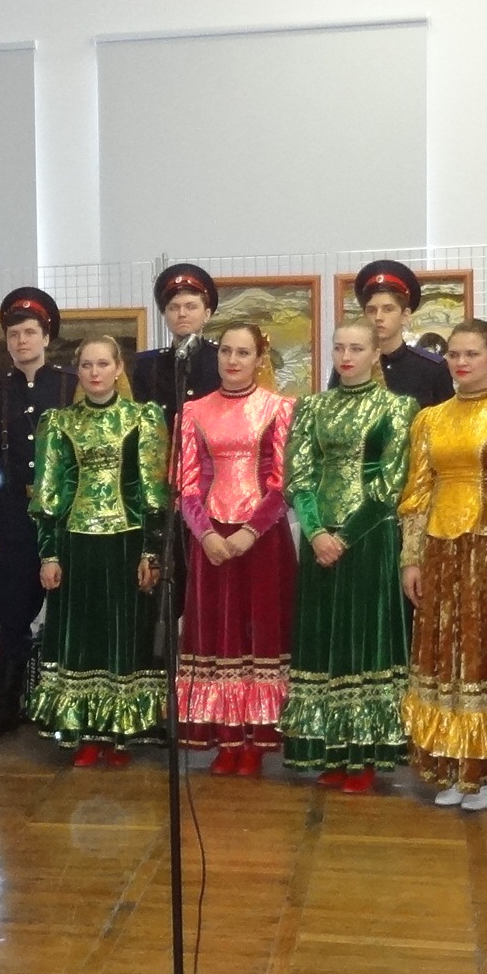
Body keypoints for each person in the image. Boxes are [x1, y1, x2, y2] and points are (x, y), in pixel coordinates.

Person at [399, 319, 487, 811]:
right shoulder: (429, 419)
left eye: (472, 354)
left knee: (486, 655)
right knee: (442, 657)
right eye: (454, 354)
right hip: (439, 549)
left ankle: (485, 772)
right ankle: (448, 765)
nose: (461, 363)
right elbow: (417, 493)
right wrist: (411, 558)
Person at [278, 319, 418, 793]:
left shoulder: (398, 407)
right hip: (318, 538)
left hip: (370, 538)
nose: (346, 357)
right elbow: (297, 475)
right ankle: (328, 750)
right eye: (339, 348)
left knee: (363, 640)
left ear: (376, 354)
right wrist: (317, 532)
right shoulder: (311, 407)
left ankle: (363, 757)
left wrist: (345, 536)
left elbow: (391, 481)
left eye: (357, 348)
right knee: (322, 639)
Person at [26, 336, 169, 765]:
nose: (94, 372)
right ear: (78, 371)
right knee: (81, 638)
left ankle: (119, 734)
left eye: (103, 364)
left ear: (118, 368)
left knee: (124, 637)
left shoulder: (143, 417)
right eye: (86, 365)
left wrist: (151, 552)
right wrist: (49, 554)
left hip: (127, 542)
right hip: (76, 543)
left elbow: (154, 492)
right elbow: (48, 494)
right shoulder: (58, 422)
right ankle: (84, 732)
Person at [174, 324, 296, 776]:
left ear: (259, 359)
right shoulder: (193, 411)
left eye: (243, 353)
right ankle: (226, 740)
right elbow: (186, 485)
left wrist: (250, 531)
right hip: (211, 539)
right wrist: (206, 534)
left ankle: (256, 742)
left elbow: (283, 482)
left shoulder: (279, 407)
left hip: (262, 539)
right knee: (217, 635)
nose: (232, 360)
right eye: (226, 351)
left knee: (258, 633)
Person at [0, 287, 80, 742]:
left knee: (69, 612)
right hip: (14, 515)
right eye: (13, 334)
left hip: (67, 514)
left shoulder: (70, 384)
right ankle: (5, 709)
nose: (21, 341)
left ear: (46, 336)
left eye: (30, 332)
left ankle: (64, 708)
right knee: (13, 616)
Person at [328, 261, 454, 409]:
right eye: (372, 310)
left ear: (405, 315)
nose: (378, 317)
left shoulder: (432, 368)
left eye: (388, 309)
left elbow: (447, 418)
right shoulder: (352, 365)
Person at [131, 262, 222, 429]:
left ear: (207, 314)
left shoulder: (222, 361)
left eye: (191, 307)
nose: (182, 314)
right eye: (173, 308)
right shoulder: (147, 367)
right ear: (164, 315)